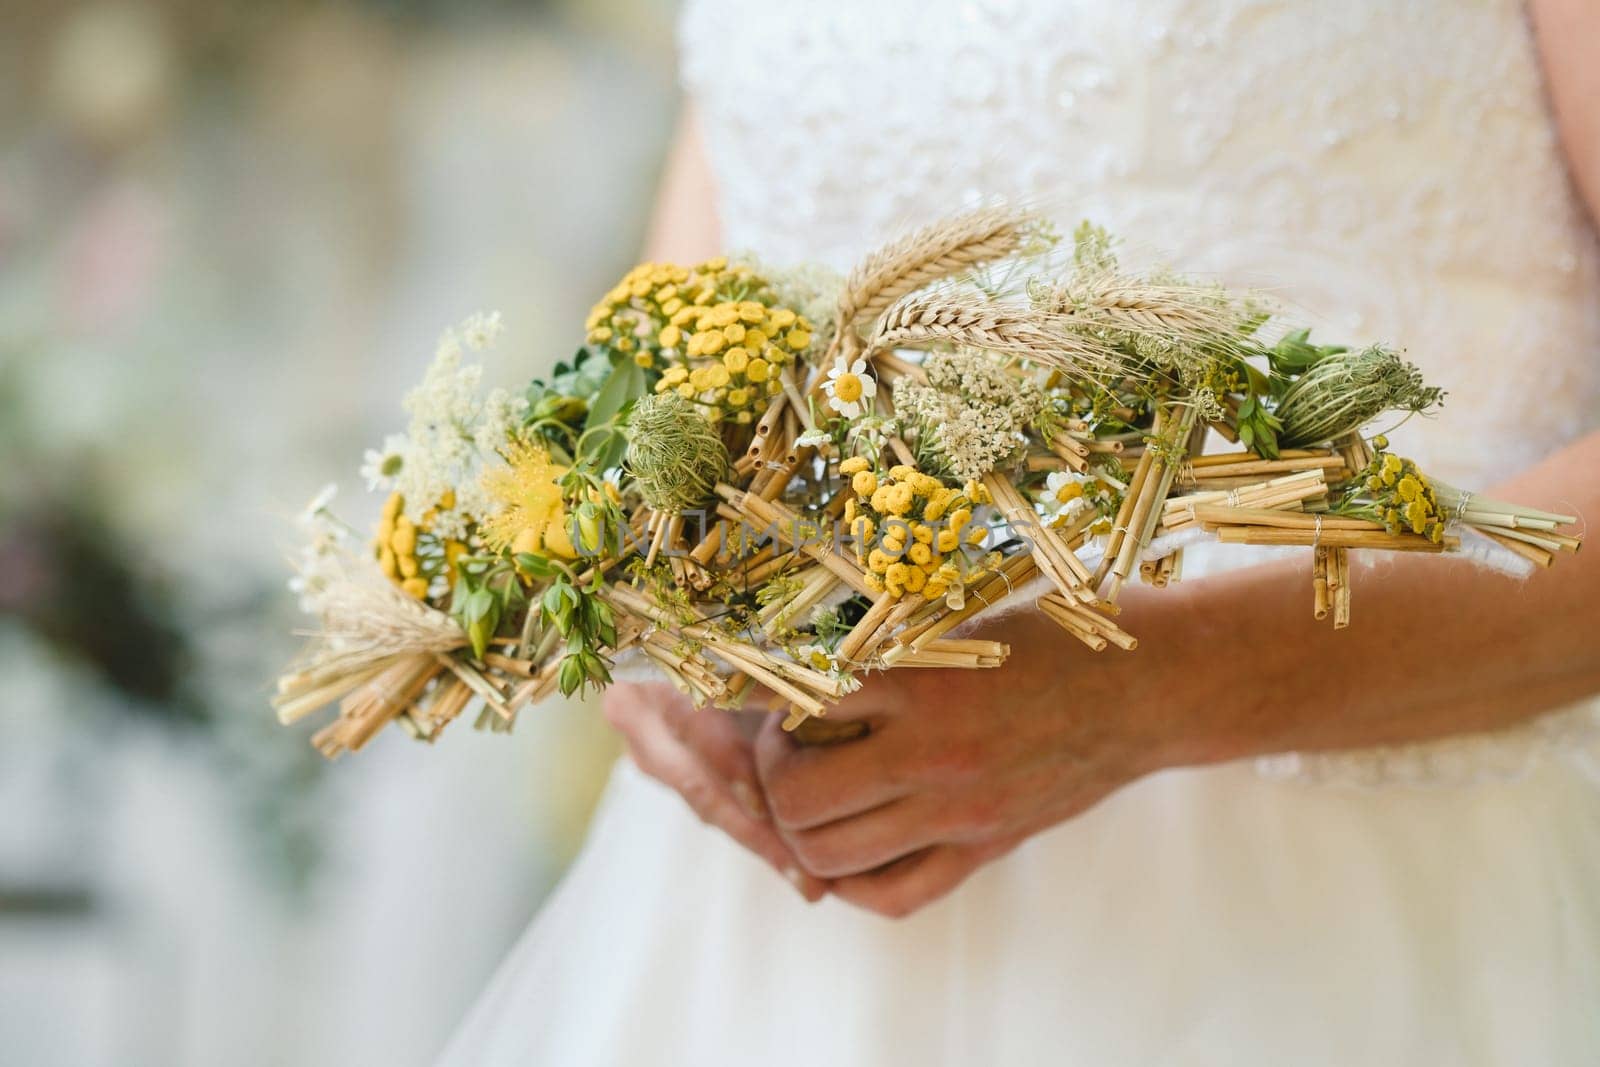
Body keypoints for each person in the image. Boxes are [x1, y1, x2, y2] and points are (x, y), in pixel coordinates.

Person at [439, 1, 1600, 1062]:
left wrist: (1157, 689)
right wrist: (664, 621)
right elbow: (688, 340)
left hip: (1353, 913)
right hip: (784, 943)